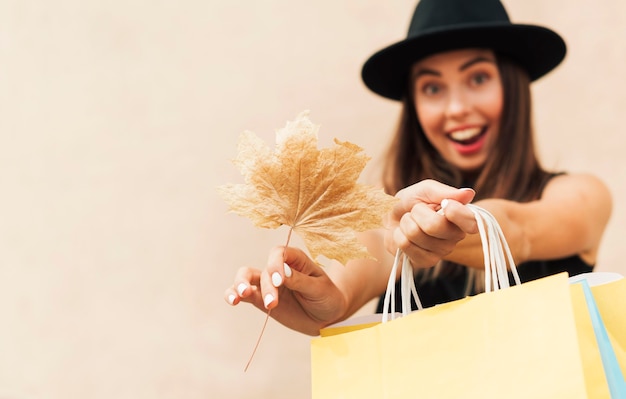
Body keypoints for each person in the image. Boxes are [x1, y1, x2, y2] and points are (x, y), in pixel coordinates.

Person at [223, 0, 612, 336]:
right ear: (414, 106)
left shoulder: (582, 195)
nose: (456, 108)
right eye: (432, 87)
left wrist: (450, 223)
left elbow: (518, 229)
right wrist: (325, 300)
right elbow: (363, 262)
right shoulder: (389, 219)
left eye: (478, 78)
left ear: (511, 86)